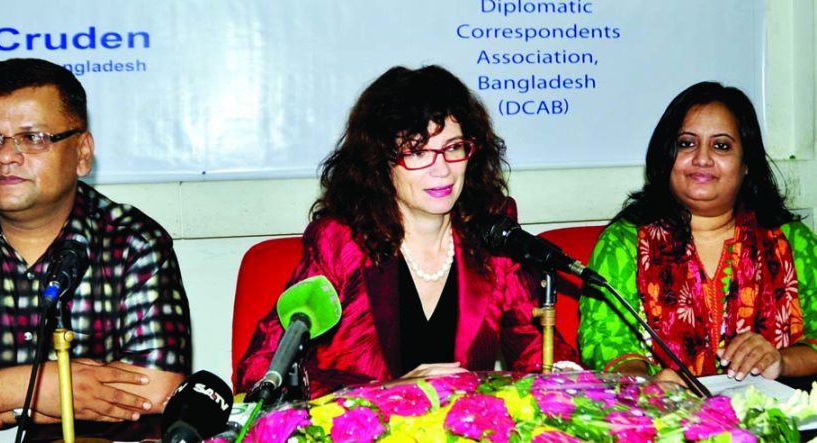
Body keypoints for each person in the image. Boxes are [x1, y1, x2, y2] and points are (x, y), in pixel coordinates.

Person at [236, 65, 577, 399]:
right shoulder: (340, 243)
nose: (442, 169)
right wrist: (385, 392)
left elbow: (536, 350)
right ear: (380, 162)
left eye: (453, 147)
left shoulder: (489, 237)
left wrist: (566, 375)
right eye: (417, 152)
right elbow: (259, 369)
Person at [0, 58, 191, 440]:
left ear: (82, 153)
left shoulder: (133, 242)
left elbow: (156, 392)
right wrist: (34, 388)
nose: (4, 156)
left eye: (32, 138)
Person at [578, 81, 817, 385]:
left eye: (721, 146)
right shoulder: (625, 241)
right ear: (666, 156)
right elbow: (606, 341)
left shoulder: (791, 240)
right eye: (686, 143)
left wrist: (782, 361)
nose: (702, 159)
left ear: (746, 164)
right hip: (662, 423)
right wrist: (647, 385)